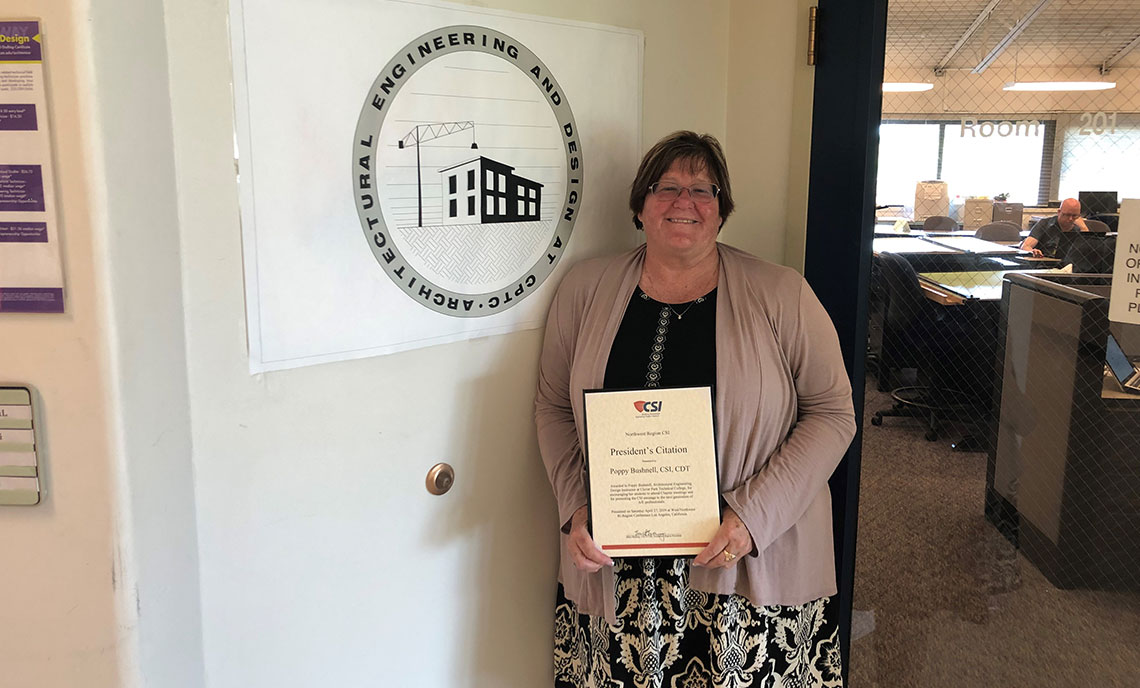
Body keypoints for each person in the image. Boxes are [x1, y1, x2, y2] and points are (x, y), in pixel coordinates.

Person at [535, 131, 857, 687]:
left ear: (722, 210)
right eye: (666, 188)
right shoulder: (584, 290)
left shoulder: (781, 293)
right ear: (640, 206)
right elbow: (552, 406)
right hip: (618, 572)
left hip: (745, 565)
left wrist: (753, 517)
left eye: (703, 191)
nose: (684, 202)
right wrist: (576, 505)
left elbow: (833, 412)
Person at [1020, 198, 1089, 257]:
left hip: (1069, 267)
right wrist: (1032, 251)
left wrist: (1084, 229)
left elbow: (1089, 253)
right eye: (1067, 215)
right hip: (1044, 265)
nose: (1070, 219)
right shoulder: (1045, 224)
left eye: (1074, 216)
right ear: (1059, 212)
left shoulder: (1080, 229)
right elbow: (1025, 246)